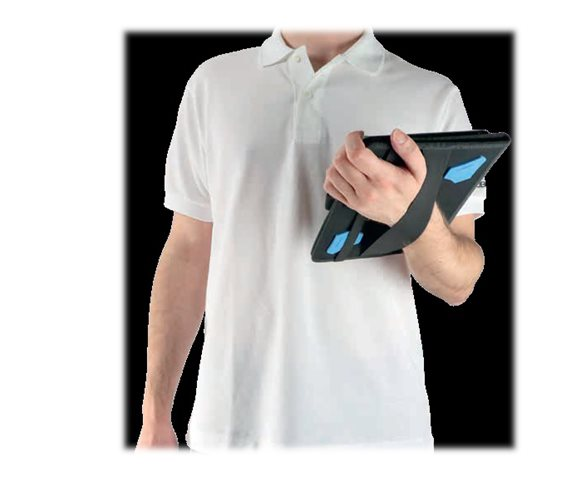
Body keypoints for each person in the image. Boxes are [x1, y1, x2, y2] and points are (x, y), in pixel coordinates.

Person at [136, 26, 486, 451]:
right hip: (232, 429)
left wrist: (411, 216)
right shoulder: (213, 83)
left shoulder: (432, 96)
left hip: (379, 435)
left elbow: (459, 283)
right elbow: (188, 249)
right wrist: (155, 414)